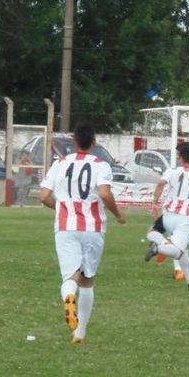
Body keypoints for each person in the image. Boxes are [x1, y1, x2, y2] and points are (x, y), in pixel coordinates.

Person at [39, 122, 125, 344]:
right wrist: (117, 214)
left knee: (70, 277)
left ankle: (69, 296)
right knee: (87, 279)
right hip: (93, 227)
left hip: (66, 227)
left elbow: (44, 196)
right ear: (94, 142)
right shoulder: (101, 165)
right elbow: (105, 194)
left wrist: (61, 207)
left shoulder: (60, 164)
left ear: (73, 141)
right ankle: (80, 333)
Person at [144, 141, 189, 292]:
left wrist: (154, 203)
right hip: (186, 220)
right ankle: (160, 248)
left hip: (168, 216)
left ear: (181, 157)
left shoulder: (172, 170)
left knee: (152, 233)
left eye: (177, 155)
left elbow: (160, 185)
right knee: (178, 251)